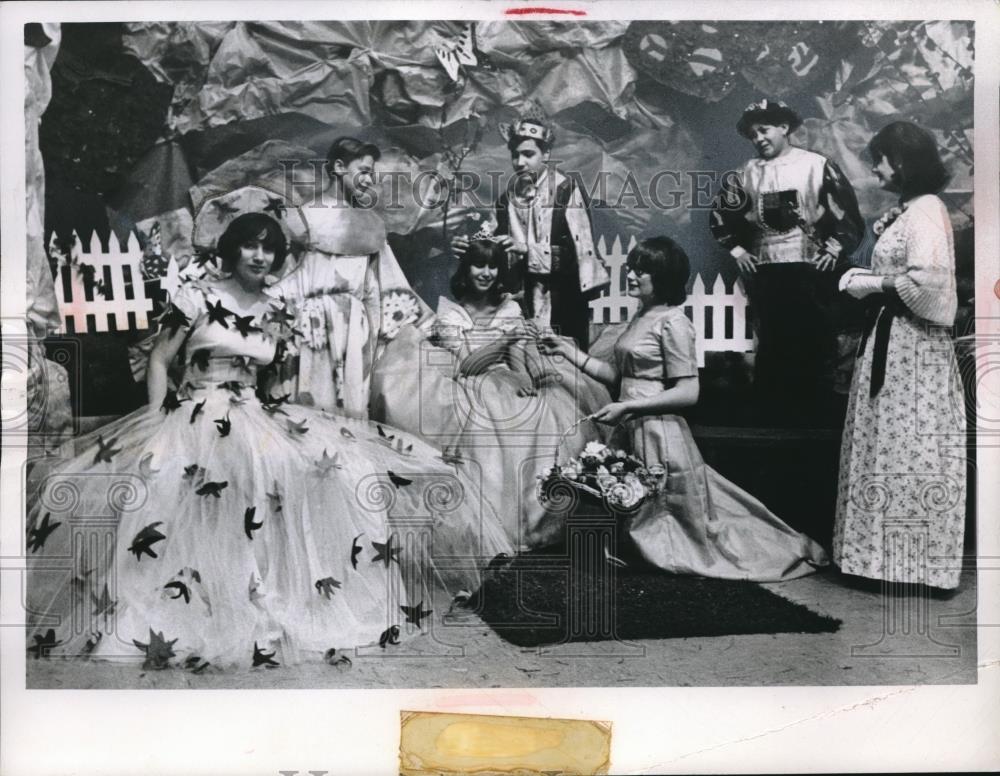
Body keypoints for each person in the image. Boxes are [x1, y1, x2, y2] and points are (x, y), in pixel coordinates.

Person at [25, 204, 511, 670]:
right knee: (187, 485)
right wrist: (156, 420)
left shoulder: (277, 307)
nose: (260, 257)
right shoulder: (196, 295)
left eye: (269, 250)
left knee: (314, 472)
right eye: (251, 247)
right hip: (194, 410)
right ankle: (199, 603)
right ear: (233, 250)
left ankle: (269, 593)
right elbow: (158, 360)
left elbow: (269, 375)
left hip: (253, 411)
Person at [536, 236, 828, 581]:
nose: (631, 275)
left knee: (670, 512)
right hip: (629, 425)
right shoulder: (642, 315)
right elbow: (616, 375)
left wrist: (631, 407)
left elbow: (689, 392)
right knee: (631, 499)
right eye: (632, 268)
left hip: (658, 432)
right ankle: (645, 554)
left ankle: (676, 555)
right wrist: (565, 351)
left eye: (641, 271)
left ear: (662, 277)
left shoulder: (674, 322)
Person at [372, 230, 611, 549]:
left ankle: (535, 519)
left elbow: (516, 352)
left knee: (543, 415)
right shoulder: (451, 313)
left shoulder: (508, 308)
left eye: (493, 267)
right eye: (478, 266)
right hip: (469, 378)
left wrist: (523, 374)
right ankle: (496, 523)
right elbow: (469, 363)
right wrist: (507, 340)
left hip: (503, 376)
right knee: (485, 433)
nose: (485, 274)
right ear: (466, 269)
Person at [833, 121, 966, 591]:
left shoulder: (927, 209)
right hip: (895, 340)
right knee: (891, 442)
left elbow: (929, 282)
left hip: (913, 346)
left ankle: (912, 566)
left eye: (882, 158)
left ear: (904, 162)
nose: (875, 167)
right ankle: (882, 562)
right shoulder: (911, 209)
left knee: (909, 445)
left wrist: (873, 283)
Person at [710, 98, 864, 425]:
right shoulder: (745, 173)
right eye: (752, 135)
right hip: (767, 270)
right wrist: (737, 249)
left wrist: (835, 247)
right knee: (773, 340)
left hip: (809, 270)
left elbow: (847, 213)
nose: (758, 139)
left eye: (764, 130)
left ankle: (814, 416)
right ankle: (774, 414)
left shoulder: (817, 165)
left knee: (814, 338)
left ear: (784, 127)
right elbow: (721, 215)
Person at [274, 136, 432, 418]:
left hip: (355, 334)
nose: (369, 181)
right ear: (338, 167)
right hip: (310, 330)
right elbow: (285, 279)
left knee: (348, 415)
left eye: (371, 174)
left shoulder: (370, 225)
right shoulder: (303, 217)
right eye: (364, 172)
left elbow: (384, 287)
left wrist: (424, 326)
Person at [452, 106, 610, 350]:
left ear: (545, 154)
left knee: (563, 370)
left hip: (563, 300)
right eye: (515, 155)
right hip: (521, 301)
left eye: (528, 154)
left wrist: (527, 249)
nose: (519, 162)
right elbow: (491, 244)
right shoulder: (507, 199)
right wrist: (468, 247)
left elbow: (575, 257)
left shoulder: (567, 190)